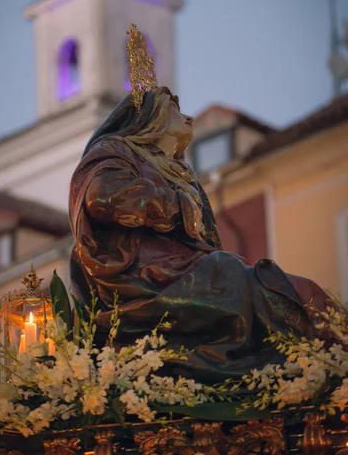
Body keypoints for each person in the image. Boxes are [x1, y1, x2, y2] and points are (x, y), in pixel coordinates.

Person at [69, 26, 330, 382]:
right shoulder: (115, 152)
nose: (188, 117)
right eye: (176, 110)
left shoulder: (178, 171)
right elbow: (102, 196)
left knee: (305, 297)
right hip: (150, 280)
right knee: (266, 293)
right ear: (151, 119)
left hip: (189, 270)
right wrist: (177, 206)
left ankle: (326, 361)